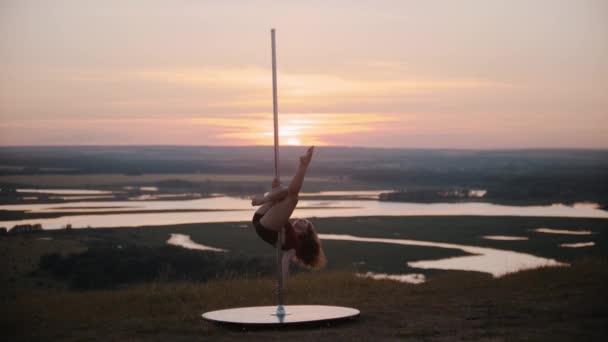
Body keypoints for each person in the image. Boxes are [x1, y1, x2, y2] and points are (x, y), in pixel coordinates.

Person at [251, 146, 326, 277]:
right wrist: (275, 190)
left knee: (293, 198)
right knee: (287, 193)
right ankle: (265, 198)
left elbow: (285, 262)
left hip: (265, 228)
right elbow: (278, 207)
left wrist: (283, 285)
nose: (301, 220)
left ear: (305, 233)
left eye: (305, 223)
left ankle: (303, 165)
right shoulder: (288, 228)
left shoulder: (294, 246)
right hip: (261, 219)